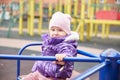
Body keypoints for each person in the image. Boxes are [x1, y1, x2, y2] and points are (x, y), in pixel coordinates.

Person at [19, 11, 79, 80]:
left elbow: (68, 52)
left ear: (66, 32)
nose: (55, 33)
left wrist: (64, 56)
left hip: (55, 76)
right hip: (41, 71)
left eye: (60, 30)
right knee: (28, 77)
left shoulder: (66, 43)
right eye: (53, 30)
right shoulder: (49, 41)